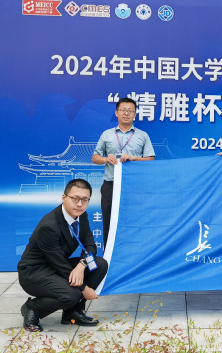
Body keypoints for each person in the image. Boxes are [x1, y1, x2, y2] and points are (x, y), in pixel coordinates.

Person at [18, 179, 108, 332]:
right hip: (35, 273)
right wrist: (84, 288)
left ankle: (72, 313)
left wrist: (81, 265)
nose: (79, 204)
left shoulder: (81, 216)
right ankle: (32, 308)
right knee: (72, 294)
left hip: (57, 266)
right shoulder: (49, 226)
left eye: (85, 200)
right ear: (64, 197)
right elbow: (59, 263)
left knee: (100, 265)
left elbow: (90, 246)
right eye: (75, 198)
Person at [92, 97, 155, 247]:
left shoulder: (142, 135)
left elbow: (150, 159)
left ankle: (134, 252)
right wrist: (106, 159)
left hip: (135, 186)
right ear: (116, 113)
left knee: (135, 220)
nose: (126, 113)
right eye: (123, 110)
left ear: (135, 114)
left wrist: (134, 158)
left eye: (130, 111)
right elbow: (95, 158)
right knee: (109, 221)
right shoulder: (107, 134)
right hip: (110, 185)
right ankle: (108, 255)